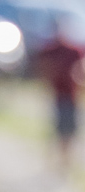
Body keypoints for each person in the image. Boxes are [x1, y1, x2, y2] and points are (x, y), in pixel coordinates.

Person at [35, 16, 85, 173]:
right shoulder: (49, 51)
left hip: (71, 95)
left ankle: (65, 161)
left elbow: (80, 70)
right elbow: (43, 70)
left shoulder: (74, 50)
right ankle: (55, 161)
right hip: (57, 96)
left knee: (69, 130)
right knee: (57, 129)